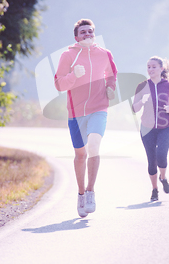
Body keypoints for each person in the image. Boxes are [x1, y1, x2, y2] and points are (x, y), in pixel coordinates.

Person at [54, 19, 117, 218]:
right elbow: (59, 85)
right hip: (75, 113)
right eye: (83, 32)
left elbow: (111, 74)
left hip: (99, 108)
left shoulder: (105, 54)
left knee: (94, 146)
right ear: (76, 37)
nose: (88, 34)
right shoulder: (68, 55)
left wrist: (110, 88)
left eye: (90, 31)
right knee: (81, 155)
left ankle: (91, 191)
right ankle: (80, 194)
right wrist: (73, 75)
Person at [132, 56, 169, 201]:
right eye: (148, 67)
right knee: (151, 160)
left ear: (161, 69)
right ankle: (154, 190)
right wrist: (142, 101)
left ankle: (163, 178)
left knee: (161, 155)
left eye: (153, 67)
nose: (150, 69)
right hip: (147, 128)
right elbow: (134, 108)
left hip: (165, 127)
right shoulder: (142, 86)